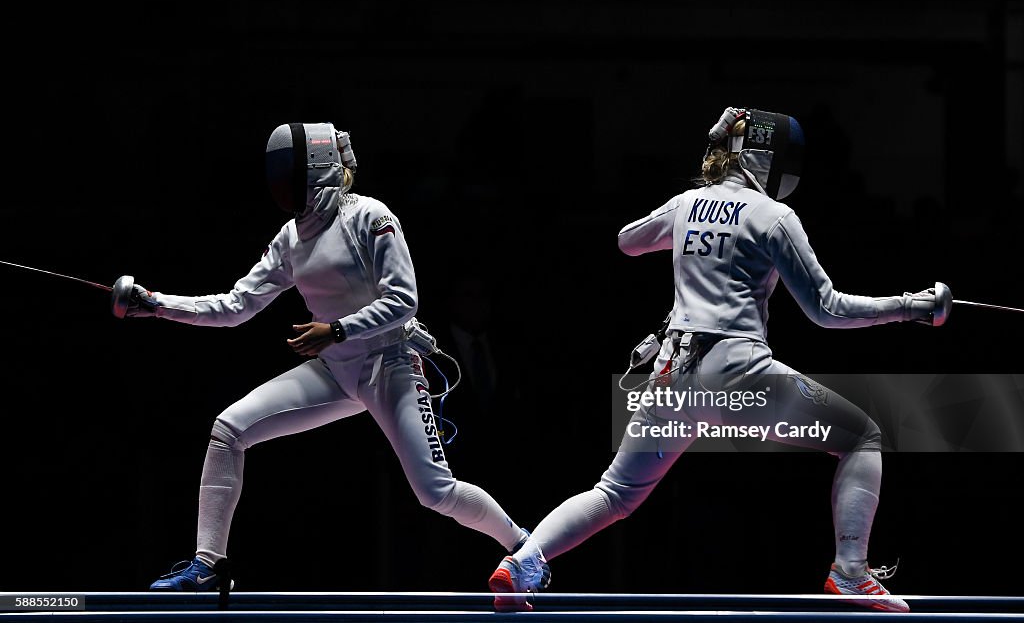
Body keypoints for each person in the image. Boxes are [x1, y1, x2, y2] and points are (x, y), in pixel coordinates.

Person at [488, 107, 945, 613]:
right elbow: (828, 310)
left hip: (672, 376)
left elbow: (627, 240)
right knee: (861, 437)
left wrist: (705, 174)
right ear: (772, 161)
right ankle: (851, 572)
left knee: (615, 493)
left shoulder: (688, 204)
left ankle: (522, 563)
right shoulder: (774, 217)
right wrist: (911, 307)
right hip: (738, 374)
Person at [132, 122, 534, 590]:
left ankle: (525, 549)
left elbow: (403, 299)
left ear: (314, 169)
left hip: (391, 364)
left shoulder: (370, 216)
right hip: (336, 371)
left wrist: (337, 330)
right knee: (229, 430)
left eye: (285, 173)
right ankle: (208, 565)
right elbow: (235, 306)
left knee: (435, 492)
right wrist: (157, 304)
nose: (278, 186)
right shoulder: (290, 239)